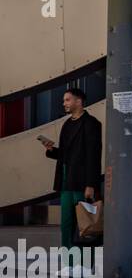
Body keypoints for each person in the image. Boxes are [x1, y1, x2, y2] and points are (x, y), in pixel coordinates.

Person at [36, 88, 102, 250]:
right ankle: (69, 262)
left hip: (82, 182)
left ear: (78, 101)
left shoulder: (91, 123)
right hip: (65, 181)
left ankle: (85, 264)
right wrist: (52, 150)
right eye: (64, 100)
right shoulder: (67, 124)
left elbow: (93, 156)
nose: (63, 103)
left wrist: (91, 184)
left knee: (84, 223)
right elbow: (66, 154)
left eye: (67, 100)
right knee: (66, 223)